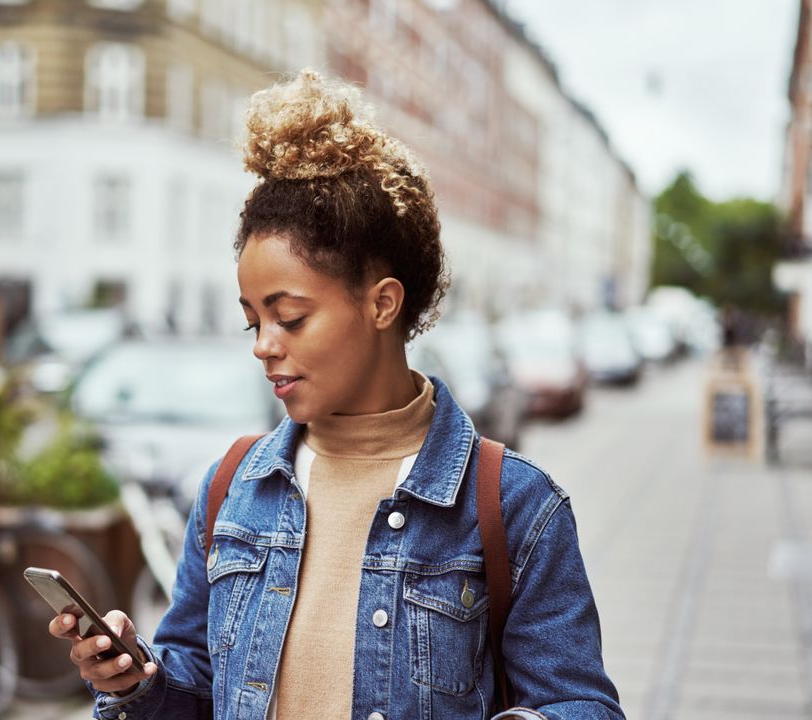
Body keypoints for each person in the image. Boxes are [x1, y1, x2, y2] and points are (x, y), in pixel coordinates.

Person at [49, 70, 623, 720]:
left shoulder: (514, 507)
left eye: (289, 317)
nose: (264, 344)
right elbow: (196, 690)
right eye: (252, 321)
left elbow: (583, 704)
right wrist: (137, 683)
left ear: (382, 303)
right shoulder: (231, 489)